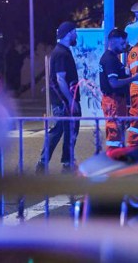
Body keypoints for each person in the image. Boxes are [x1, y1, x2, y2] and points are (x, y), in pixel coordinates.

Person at [36, 21, 80, 174]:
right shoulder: (61, 53)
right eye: (75, 32)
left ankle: (64, 163)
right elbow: (61, 79)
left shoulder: (62, 51)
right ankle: (50, 164)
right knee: (61, 130)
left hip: (63, 100)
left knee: (66, 130)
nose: (76, 35)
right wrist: (71, 100)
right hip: (63, 101)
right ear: (68, 33)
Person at [99, 28, 138, 152]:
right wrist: (133, 78)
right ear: (113, 42)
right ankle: (113, 157)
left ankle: (117, 155)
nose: (124, 46)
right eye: (122, 43)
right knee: (114, 131)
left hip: (116, 100)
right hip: (113, 100)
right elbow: (114, 83)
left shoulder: (113, 58)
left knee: (118, 130)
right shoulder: (110, 59)